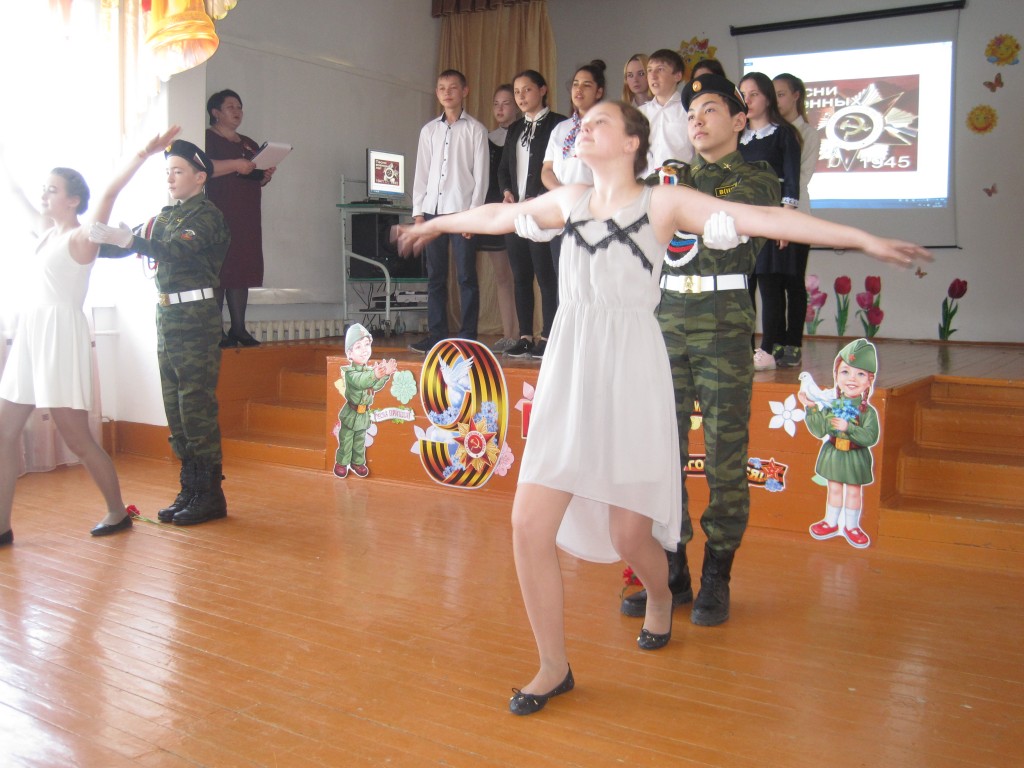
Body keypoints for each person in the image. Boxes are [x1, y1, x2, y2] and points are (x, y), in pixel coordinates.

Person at [394, 100, 930, 716]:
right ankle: (553, 665)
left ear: (632, 142)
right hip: (570, 370)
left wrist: (863, 239)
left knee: (629, 533)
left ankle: (659, 593)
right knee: (526, 524)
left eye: (599, 121)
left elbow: (761, 217)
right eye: (583, 122)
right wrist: (434, 224)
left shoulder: (662, 203)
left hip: (631, 373)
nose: (584, 127)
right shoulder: (568, 200)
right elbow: (497, 214)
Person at [620, 74, 781, 627]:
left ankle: (718, 572)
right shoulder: (672, 177)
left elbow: (735, 216)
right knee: (662, 454)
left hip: (722, 328)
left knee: (724, 456)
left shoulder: (756, 177)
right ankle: (673, 571)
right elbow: (631, 208)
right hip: (665, 325)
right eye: (691, 114)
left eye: (710, 109)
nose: (697, 120)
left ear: (739, 120)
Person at [0, 127, 180, 545]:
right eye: (44, 189)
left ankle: (117, 511)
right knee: (4, 432)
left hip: (60, 337)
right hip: (30, 336)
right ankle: (2, 526)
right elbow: (16, 194)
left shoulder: (83, 239)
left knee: (77, 438)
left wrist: (142, 152)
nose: (44, 195)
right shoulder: (46, 232)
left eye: (52, 190)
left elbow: (111, 191)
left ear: (73, 200)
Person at [90, 140, 232, 527]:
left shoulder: (207, 216)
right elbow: (127, 245)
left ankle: (210, 494)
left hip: (196, 316)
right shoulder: (165, 217)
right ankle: (191, 488)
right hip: (168, 315)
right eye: (167, 171)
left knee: (196, 403)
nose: (170, 178)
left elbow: (173, 251)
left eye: (178, 171)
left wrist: (130, 240)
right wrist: (93, 241)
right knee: (175, 404)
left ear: (200, 177)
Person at [408, 69, 489, 354]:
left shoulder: (476, 130)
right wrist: (419, 212)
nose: (447, 92)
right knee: (435, 277)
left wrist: (474, 217)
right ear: (437, 92)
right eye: (442, 87)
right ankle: (437, 334)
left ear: (465, 91)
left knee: (466, 276)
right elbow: (421, 173)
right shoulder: (429, 130)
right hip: (432, 212)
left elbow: (481, 177)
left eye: (453, 87)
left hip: (462, 213)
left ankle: (468, 336)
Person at [497, 70, 567, 359]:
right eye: (517, 92)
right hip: (517, 213)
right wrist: (506, 191)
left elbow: (558, 169)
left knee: (546, 276)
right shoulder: (514, 129)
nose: (521, 96)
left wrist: (539, 195)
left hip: (544, 212)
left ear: (543, 90)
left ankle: (549, 336)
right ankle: (525, 335)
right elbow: (504, 168)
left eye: (527, 90)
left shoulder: (559, 124)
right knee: (521, 275)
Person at [738, 71, 803, 371]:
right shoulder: (737, 137)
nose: (748, 100)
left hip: (771, 217)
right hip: (742, 220)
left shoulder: (783, 133)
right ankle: (744, 348)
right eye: (743, 95)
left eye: (754, 94)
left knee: (770, 286)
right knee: (743, 286)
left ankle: (768, 349)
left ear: (767, 98)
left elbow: (791, 179)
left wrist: (784, 222)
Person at [204, 89, 276, 348]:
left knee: (241, 269)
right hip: (219, 214)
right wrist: (236, 164)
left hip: (246, 216)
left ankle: (238, 329)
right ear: (215, 112)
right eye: (230, 106)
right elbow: (203, 169)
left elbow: (252, 176)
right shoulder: (206, 138)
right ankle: (216, 331)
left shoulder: (248, 143)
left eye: (239, 106)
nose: (237, 111)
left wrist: (264, 176)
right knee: (220, 271)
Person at [798, 338, 879, 549]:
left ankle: (852, 526)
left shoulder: (868, 412)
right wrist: (811, 408)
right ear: (836, 376)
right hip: (834, 454)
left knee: (853, 492)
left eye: (860, 374)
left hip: (855, 457)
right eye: (845, 372)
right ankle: (830, 522)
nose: (851, 379)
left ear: (869, 380)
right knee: (833, 489)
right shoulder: (832, 405)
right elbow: (819, 430)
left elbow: (871, 437)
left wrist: (849, 428)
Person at [772, 72, 822, 367]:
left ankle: (793, 343)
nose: (776, 100)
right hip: (769, 218)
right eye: (773, 94)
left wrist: (782, 205)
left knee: (793, 282)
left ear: (796, 96)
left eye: (781, 94)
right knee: (773, 283)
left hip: (797, 217)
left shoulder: (809, 134)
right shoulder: (770, 132)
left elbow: (801, 177)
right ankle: (775, 342)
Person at [541, 60, 606, 277]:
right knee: (563, 277)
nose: (579, 89)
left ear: (599, 92)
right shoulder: (561, 128)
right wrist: (562, 193)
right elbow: (547, 170)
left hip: (592, 210)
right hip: (562, 211)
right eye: (576, 84)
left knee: (590, 277)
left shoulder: (607, 127)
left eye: (587, 85)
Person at [479, 84, 520, 353]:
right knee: (502, 275)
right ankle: (509, 334)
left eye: (506, 103)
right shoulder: (487, 138)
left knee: (523, 275)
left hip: (519, 210)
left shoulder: (523, 136)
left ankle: (526, 333)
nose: (500, 109)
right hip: (495, 211)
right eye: (496, 104)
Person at [333, 323, 397, 479]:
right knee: (346, 440)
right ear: (349, 354)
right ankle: (341, 463)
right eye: (358, 346)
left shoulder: (370, 371)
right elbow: (362, 381)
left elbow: (374, 385)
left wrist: (385, 374)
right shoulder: (350, 373)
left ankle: (357, 462)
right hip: (351, 413)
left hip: (363, 414)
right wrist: (375, 374)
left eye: (367, 344)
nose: (364, 350)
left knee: (360, 440)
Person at [639, 48, 692, 178]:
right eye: (649, 70)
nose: (653, 76)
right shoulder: (639, 113)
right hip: (645, 183)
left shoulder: (689, 110)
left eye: (660, 69)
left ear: (677, 76)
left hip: (680, 182)